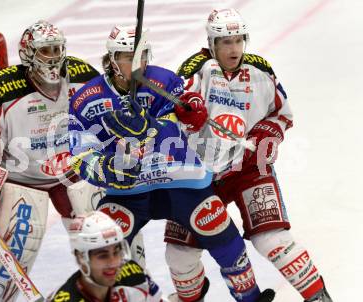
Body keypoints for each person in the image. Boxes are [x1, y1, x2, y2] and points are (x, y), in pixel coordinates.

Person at [68, 25, 275, 302]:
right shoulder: (85, 99)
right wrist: (107, 170)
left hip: (182, 180)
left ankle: (250, 297)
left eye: (141, 56)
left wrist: (151, 125)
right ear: (112, 59)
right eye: (128, 57)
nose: (137, 64)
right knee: (106, 246)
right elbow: (79, 155)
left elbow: (183, 127)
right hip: (128, 190)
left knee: (223, 237)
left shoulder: (165, 81)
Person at [164, 8, 332, 302]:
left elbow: (282, 114)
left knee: (273, 240)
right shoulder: (195, 69)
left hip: (248, 168)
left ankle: (319, 297)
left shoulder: (261, 70)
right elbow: (171, 113)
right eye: (226, 42)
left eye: (239, 40)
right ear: (212, 43)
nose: (234, 48)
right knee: (179, 253)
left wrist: (265, 131)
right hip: (199, 176)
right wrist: (186, 114)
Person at [0, 20, 101, 302]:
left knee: (103, 237)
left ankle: (116, 291)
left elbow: (104, 115)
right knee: (16, 251)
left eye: (58, 48)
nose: (55, 56)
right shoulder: (3, 87)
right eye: (46, 50)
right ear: (29, 54)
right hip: (22, 181)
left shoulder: (81, 74)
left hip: (72, 174)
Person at [47, 211, 163, 302]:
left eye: (116, 252)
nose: (113, 263)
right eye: (103, 256)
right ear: (80, 258)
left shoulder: (133, 275)